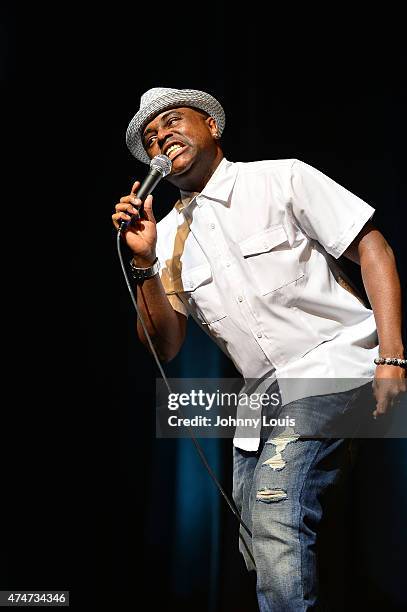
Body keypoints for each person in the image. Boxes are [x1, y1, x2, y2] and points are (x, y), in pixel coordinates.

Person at [112, 87, 406, 610]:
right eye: (151, 138)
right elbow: (166, 343)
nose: (162, 139)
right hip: (258, 398)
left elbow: (373, 248)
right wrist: (145, 264)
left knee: (275, 510)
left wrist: (392, 355)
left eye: (173, 123)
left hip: (332, 362)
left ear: (212, 126)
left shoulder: (280, 177)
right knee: (258, 542)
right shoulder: (169, 233)